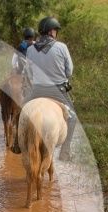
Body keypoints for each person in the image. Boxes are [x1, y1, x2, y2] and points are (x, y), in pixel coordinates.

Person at [23, 16, 78, 161]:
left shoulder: (30, 49)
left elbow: (29, 71)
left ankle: (17, 143)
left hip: (37, 91)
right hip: (58, 91)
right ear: (52, 31)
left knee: (20, 111)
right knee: (72, 118)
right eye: (55, 30)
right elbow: (69, 71)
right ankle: (65, 150)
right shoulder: (61, 47)